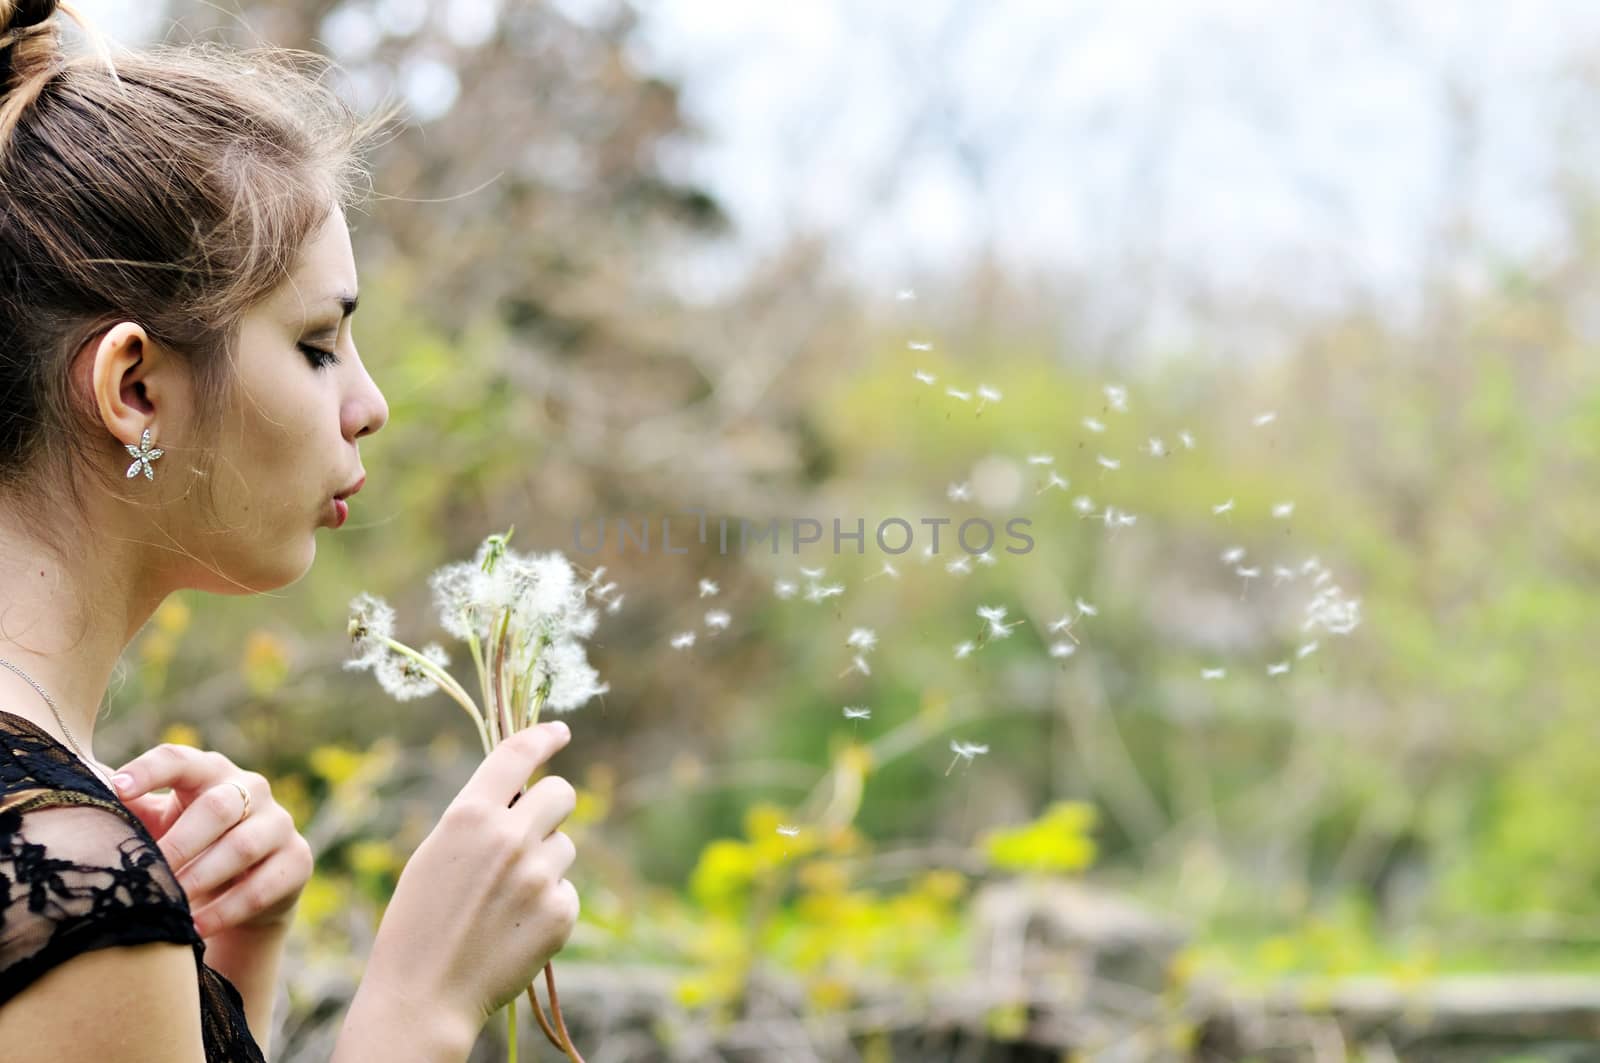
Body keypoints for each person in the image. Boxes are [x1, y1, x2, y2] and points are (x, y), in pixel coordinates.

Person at [0, 2, 582, 1059]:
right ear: (134, 387)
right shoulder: (65, 878)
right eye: (317, 345)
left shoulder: (74, 864)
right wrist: (421, 1004)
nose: (370, 404)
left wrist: (225, 976)